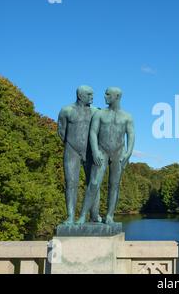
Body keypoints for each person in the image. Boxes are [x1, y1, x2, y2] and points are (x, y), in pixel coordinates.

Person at [77, 87, 134, 224]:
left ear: (117, 96)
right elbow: (93, 132)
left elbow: (131, 135)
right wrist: (95, 150)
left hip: (119, 153)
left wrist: (128, 152)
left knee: (114, 185)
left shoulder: (127, 116)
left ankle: (109, 216)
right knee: (94, 183)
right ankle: (83, 216)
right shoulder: (100, 114)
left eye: (108, 94)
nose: (105, 96)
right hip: (102, 151)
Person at [57, 85, 101, 225]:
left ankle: (94, 215)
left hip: (90, 151)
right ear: (81, 95)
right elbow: (61, 131)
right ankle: (70, 216)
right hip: (72, 150)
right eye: (89, 94)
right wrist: (72, 143)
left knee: (93, 183)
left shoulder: (95, 112)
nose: (92, 97)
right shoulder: (66, 111)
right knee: (71, 183)